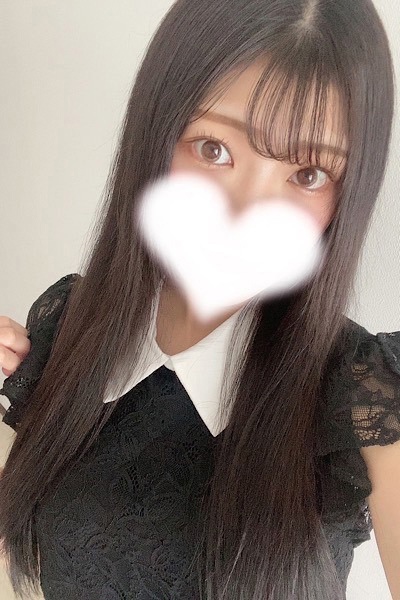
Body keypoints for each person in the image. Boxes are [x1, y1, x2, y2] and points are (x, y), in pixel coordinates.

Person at [0, 0, 399, 598]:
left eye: (308, 175)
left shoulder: (364, 389)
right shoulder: (69, 327)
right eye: (213, 149)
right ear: (154, 138)